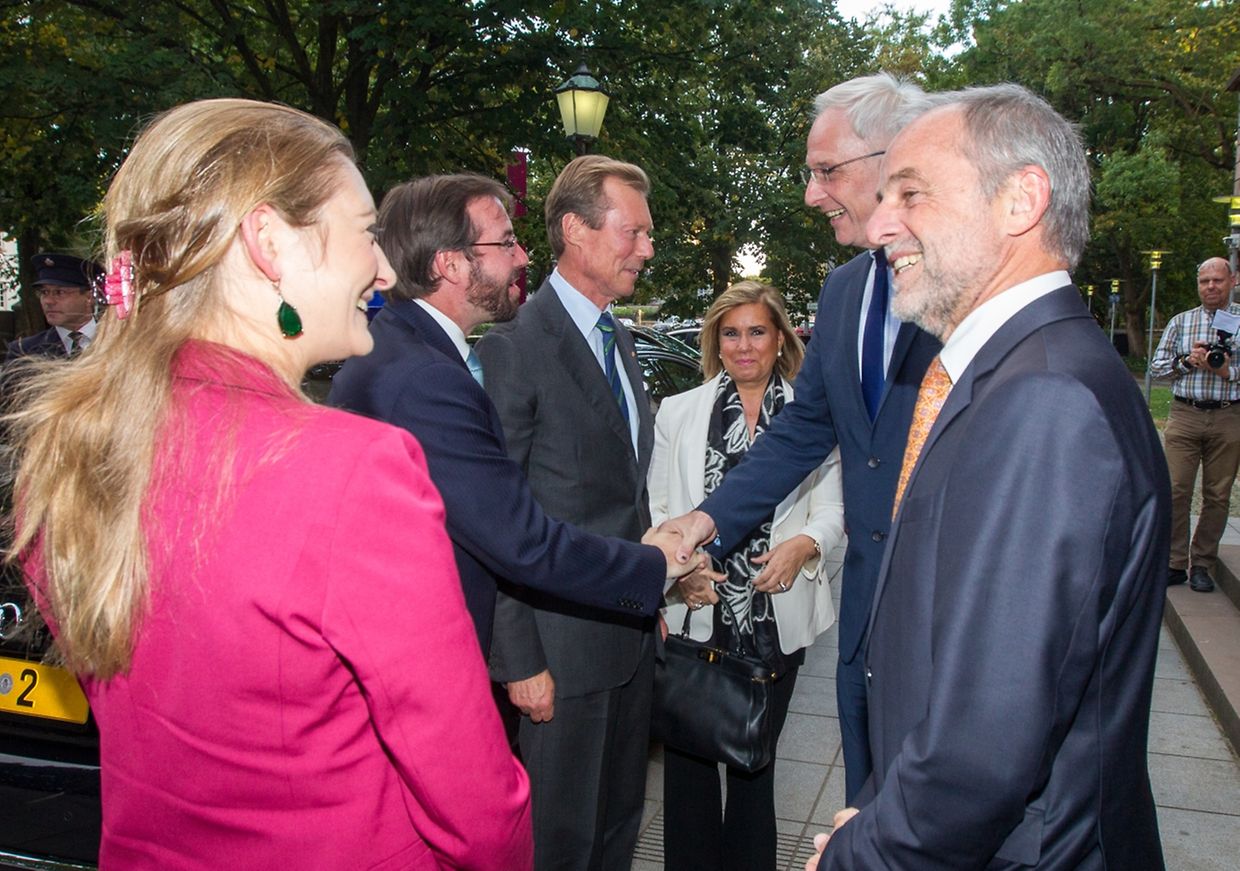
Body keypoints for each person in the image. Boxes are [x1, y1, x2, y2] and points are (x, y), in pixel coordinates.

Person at [5, 99, 532, 869]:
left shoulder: (72, 445)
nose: (386, 271)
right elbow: (479, 807)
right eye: (364, 234)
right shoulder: (353, 470)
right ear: (269, 240)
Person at [805, 84, 1168, 869]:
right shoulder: (1013, 373)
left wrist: (859, 852)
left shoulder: (1046, 400)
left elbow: (984, 742)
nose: (878, 224)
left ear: (1020, 201)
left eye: (912, 193)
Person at [659, 73, 939, 802]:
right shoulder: (847, 291)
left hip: (944, 609)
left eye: (825, 171)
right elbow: (803, 435)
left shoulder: (961, 281)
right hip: (865, 624)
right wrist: (700, 525)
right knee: (868, 798)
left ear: (894, 158)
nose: (813, 193)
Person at [328, 174, 697, 655]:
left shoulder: (408, 352)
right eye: (505, 243)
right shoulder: (427, 379)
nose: (523, 257)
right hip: (422, 653)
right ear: (451, 264)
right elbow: (519, 540)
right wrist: (654, 564)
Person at [474, 154, 657, 871]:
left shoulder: (621, 339)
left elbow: (625, 495)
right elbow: (500, 515)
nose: (646, 248)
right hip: (557, 658)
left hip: (629, 640)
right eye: (634, 232)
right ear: (577, 231)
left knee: (616, 830)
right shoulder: (516, 348)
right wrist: (518, 658)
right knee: (557, 842)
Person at [649, 281, 844, 871]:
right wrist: (678, 578)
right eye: (730, 333)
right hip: (696, 609)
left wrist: (805, 545)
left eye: (757, 331)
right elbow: (661, 511)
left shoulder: (813, 415)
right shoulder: (680, 412)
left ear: (780, 338)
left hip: (773, 616)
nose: (743, 345)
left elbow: (834, 508)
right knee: (688, 764)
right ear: (715, 340)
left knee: (754, 760)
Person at [1150, 256, 1240, 593]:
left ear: (1232, 281)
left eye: (1217, 280)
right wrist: (1188, 360)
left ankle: (1202, 563)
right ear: (1198, 284)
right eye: (1205, 281)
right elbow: (1157, 368)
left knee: (1217, 494)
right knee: (1175, 490)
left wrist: (1225, 371)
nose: (1211, 287)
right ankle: (1174, 563)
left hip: (1229, 414)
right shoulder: (1181, 322)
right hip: (1185, 413)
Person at [5, 253, 103, 360]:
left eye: (59, 292)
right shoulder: (24, 352)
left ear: (89, 297)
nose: (48, 301)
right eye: (44, 292)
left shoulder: (117, 343)